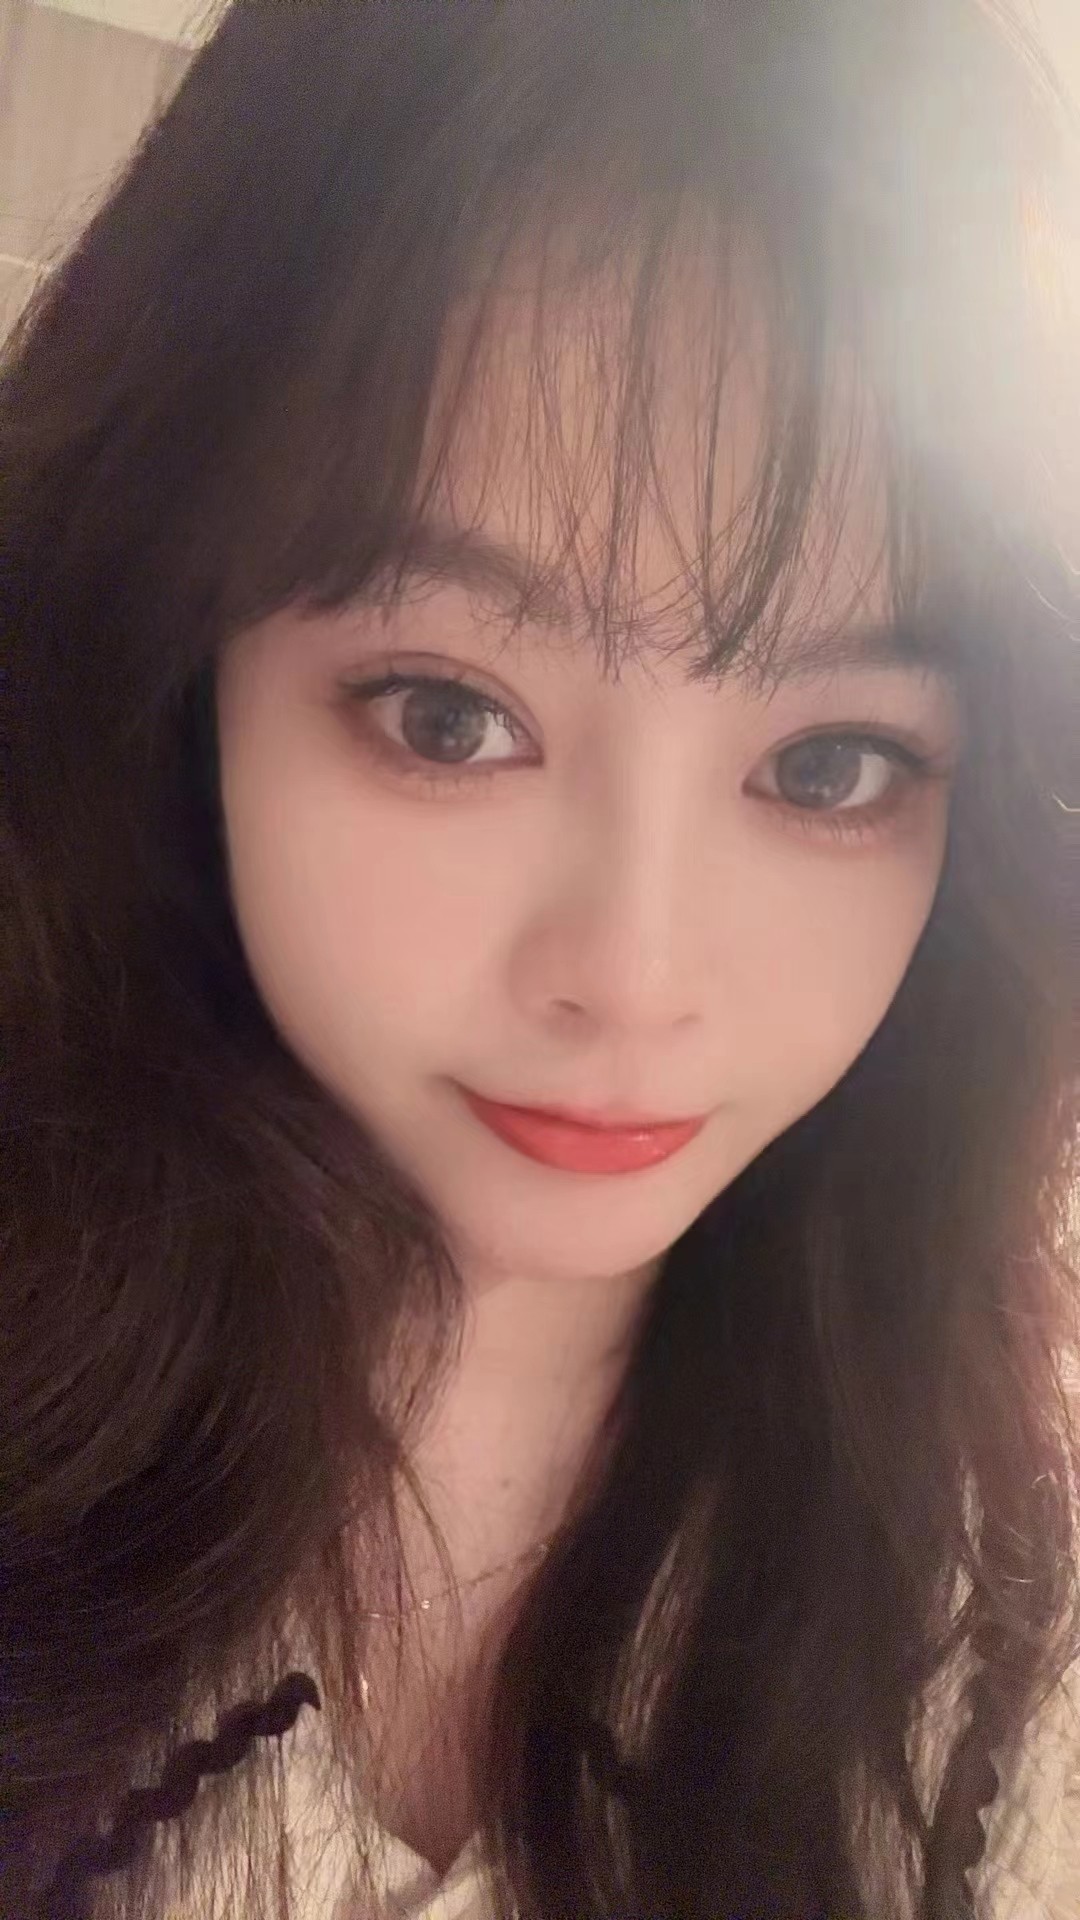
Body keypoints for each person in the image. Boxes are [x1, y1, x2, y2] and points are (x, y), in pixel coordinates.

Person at [1, 0, 1078, 1915]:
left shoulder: (999, 1592)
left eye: (830, 766)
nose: (634, 978)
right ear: (173, 661)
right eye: (446, 717)